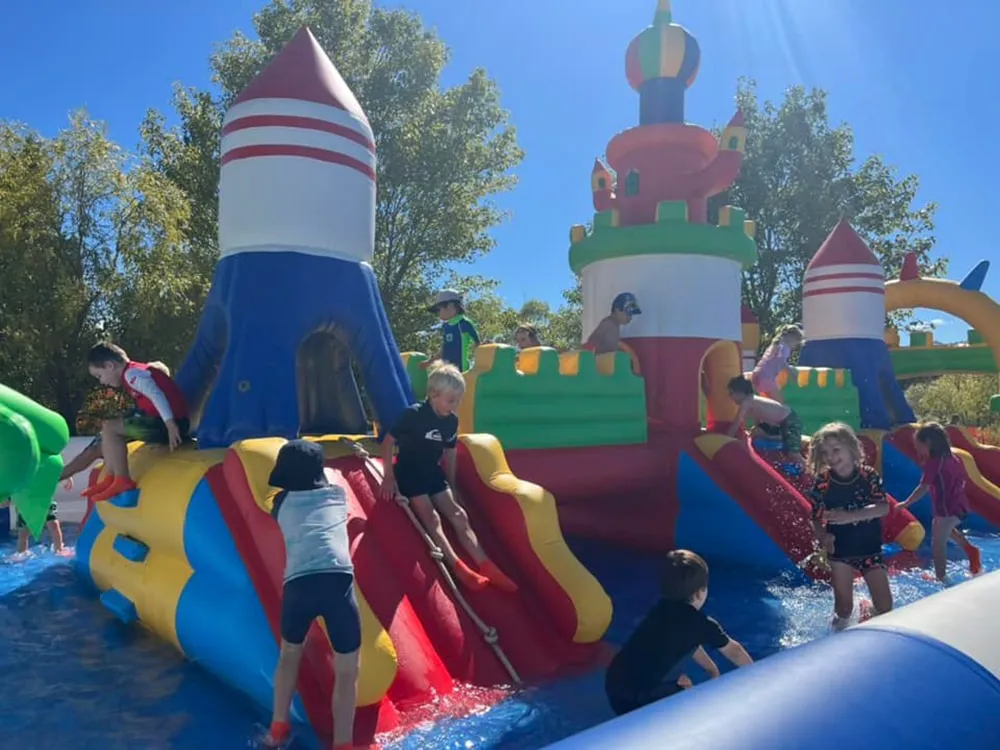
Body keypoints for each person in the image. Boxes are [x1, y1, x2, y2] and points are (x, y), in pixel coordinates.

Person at [379, 362, 517, 593]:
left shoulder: (450, 421)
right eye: (451, 400)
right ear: (433, 395)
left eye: (458, 400)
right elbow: (388, 442)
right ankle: (458, 566)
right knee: (431, 517)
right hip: (409, 473)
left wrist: (452, 484)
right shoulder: (413, 414)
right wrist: (388, 477)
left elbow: (450, 453)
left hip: (433, 473)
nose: (456, 405)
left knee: (458, 514)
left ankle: (485, 564)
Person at [263, 440, 360, 750]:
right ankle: (343, 743)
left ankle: (277, 728)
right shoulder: (338, 495)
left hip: (299, 585)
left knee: (289, 654)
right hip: (337, 584)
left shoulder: (280, 503)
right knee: (347, 670)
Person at [605, 550, 753, 716]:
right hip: (638, 702)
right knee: (688, 691)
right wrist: (759, 676)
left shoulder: (660, 609)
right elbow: (735, 651)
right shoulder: (702, 624)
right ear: (700, 592)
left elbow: (689, 640)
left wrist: (712, 670)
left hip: (615, 685)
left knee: (675, 681)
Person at [807, 423, 893, 630]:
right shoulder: (823, 483)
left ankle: (867, 613)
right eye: (825, 453)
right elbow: (816, 518)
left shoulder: (868, 476)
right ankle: (835, 638)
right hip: (841, 550)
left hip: (870, 548)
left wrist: (851, 516)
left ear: (851, 448)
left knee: (885, 607)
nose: (831, 456)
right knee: (844, 609)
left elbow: (883, 508)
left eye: (836, 450)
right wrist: (823, 537)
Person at [84, 344, 190, 502]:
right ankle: (111, 477)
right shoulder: (135, 371)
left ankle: (121, 479)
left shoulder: (132, 374)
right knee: (109, 426)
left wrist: (170, 425)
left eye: (100, 376)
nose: (102, 382)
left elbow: (156, 394)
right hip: (166, 422)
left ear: (110, 366)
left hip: (168, 425)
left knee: (111, 428)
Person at [899, 422, 982, 581]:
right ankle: (971, 550)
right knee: (948, 532)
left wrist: (905, 503)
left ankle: (941, 577)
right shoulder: (953, 458)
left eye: (918, 445)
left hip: (947, 509)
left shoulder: (934, 463)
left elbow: (923, 487)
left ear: (928, 443)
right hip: (959, 505)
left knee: (937, 545)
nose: (916, 449)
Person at [726, 375, 806, 469]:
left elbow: (737, 421)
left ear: (740, 393)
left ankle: (810, 472)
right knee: (756, 433)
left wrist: (727, 439)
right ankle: (777, 449)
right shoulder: (752, 400)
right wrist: (757, 427)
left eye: (731, 393)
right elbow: (759, 416)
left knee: (793, 453)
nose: (730, 397)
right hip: (779, 423)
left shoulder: (747, 402)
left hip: (790, 421)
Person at [428, 289, 480, 372]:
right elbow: (444, 349)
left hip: (460, 371)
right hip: (445, 370)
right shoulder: (445, 326)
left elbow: (478, 344)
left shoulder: (464, 323)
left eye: (439, 309)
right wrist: (430, 362)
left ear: (451, 306)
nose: (438, 313)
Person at [750, 324, 804, 402]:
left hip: (758, 375)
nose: (795, 346)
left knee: (765, 403)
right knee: (780, 404)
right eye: (796, 342)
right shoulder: (785, 347)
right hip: (767, 378)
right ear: (791, 337)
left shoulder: (776, 344)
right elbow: (781, 361)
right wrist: (792, 374)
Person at [0, 497, 67, 556]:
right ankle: (21, 554)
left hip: (44, 500)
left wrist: (68, 481)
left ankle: (59, 549)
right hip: (25, 504)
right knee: (23, 533)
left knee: (53, 525)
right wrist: (6, 499)